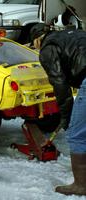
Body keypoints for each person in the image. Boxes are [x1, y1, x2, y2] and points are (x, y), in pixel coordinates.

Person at [30, 23, 86, 196]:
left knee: (76, 134)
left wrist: (66, 116)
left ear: (38, 40)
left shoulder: (48, 48)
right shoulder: (76, 33)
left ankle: (81, 185)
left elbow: (59, 84)